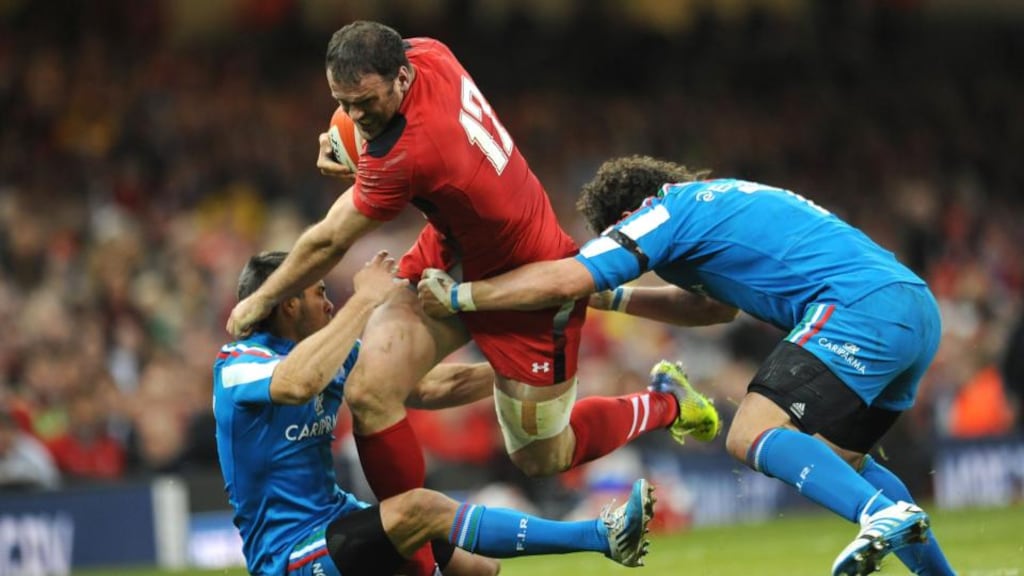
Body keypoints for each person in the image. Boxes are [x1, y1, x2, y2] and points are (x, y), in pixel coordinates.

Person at [225, 21, 715, 576]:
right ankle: (423, 567)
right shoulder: (429, 52)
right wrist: (347, 131)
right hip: (454, 249)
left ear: (400, 77)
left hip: (529, 276)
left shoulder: (411, 151)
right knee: (371, 392)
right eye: (343, 103)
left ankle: (667, 403)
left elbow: (329, 240)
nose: (356, 115)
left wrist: (256, 302)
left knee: (540, 456)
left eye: (364, 102)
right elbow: (427, 385)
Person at [418, 156, 957, 576]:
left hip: (857, 308)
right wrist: (615, 299)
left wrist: (463, 297)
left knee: (749, 433)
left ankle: (876, 516)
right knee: (844, 462)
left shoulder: (664, 212)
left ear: (624, 220)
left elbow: (568, 277)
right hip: (912, 306)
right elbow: (712, 309)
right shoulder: (717, 202)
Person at [214, 250, 655, 576]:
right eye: (320, 293)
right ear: (289, 304)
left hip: (336, 519)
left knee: (480, 569)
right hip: (287, 554)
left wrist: (529, 367)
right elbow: (297, 383)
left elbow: (430, 386)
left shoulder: (333, 354)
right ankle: (602, 535)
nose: (330, 304)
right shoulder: (238, 364)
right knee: (420, 509)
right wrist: (365, 301)